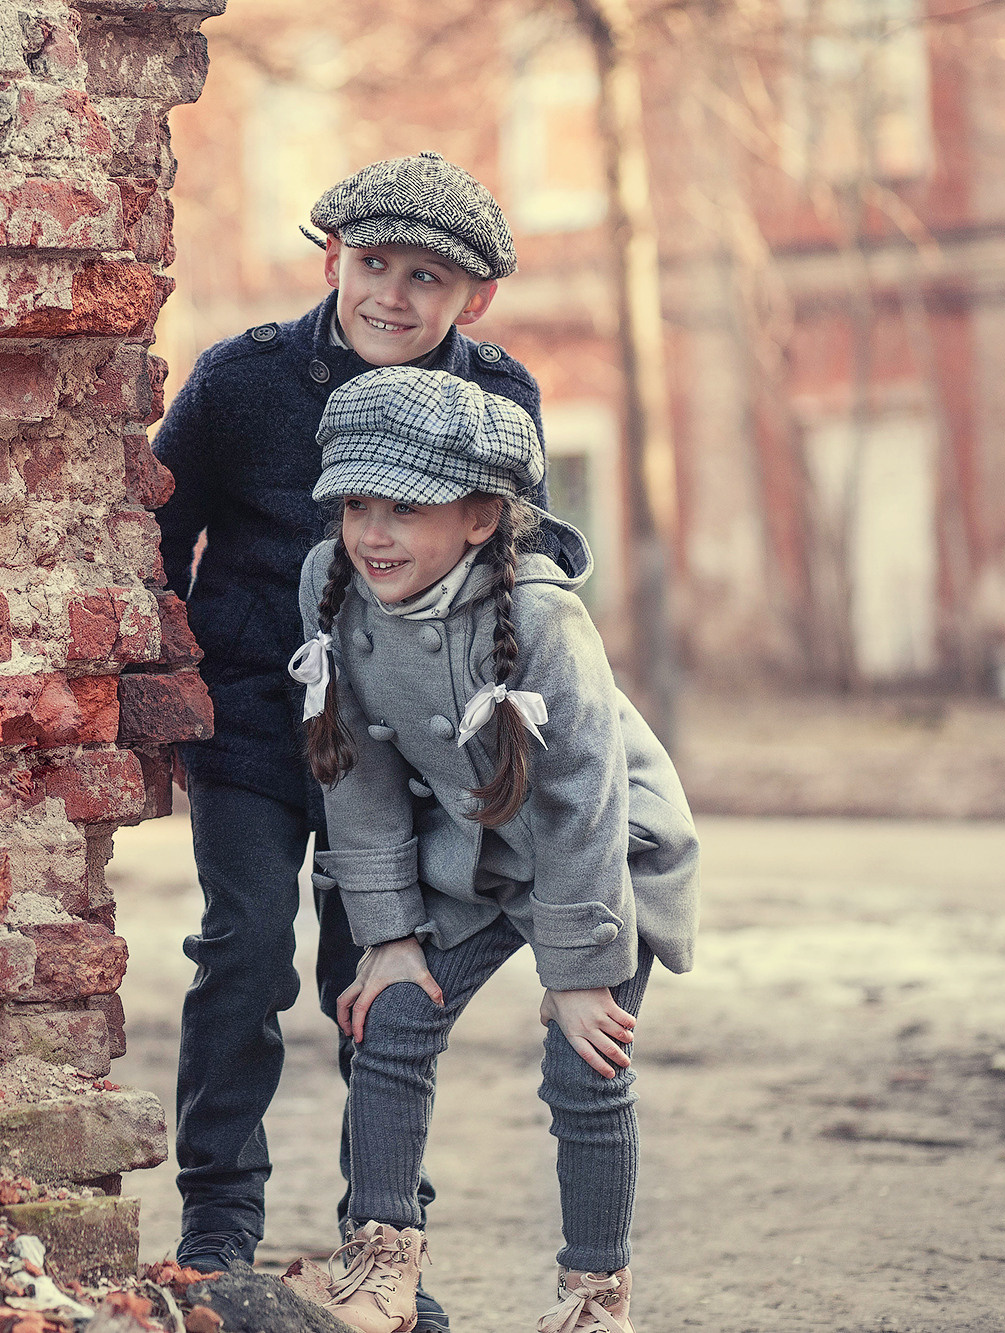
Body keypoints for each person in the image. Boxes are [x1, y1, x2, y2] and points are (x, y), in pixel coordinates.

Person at [152, 152, 553, 1331]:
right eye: (372, 264)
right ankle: (216, 1229)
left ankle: (381, 1244)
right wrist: (173, 677)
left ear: (470, 298)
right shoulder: (241, 380)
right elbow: (158, 530)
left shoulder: (498, 398)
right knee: (242, 948)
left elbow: (515, 563)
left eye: (426, 278)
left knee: (382, 977)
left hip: (401, 741)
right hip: (249, 724)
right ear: (331, 258)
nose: (392, 295)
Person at [291, 366, 700, 1333]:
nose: (372, 532)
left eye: (403, 507)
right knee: (390, 1015)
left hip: (604, 851)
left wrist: (581, 971)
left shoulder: (549, 621)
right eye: (355, 504)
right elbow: (353, 772)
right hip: (471, 849)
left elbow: (583, 802)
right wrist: (386, 932)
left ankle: (594, 1301)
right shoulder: (332, 586)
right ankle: (381, 1268)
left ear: (479, 518)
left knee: (585, 1061)